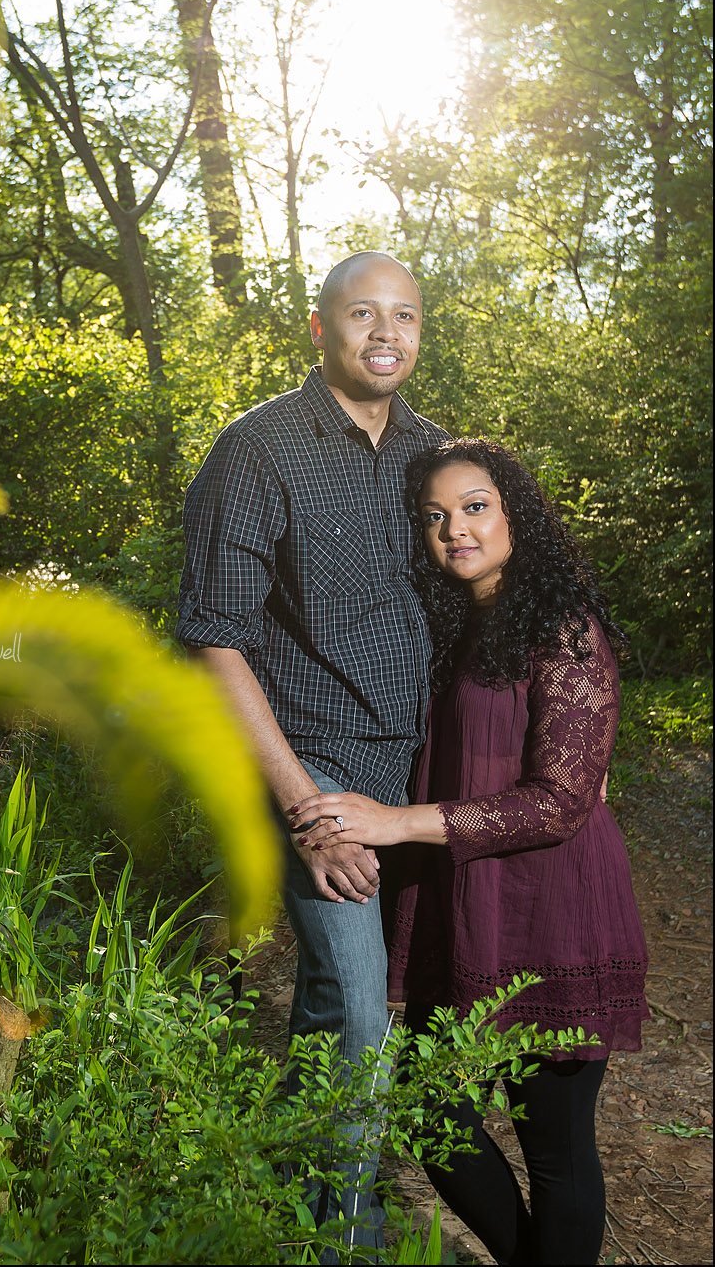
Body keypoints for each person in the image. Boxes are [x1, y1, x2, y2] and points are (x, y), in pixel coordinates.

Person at [290, 437, 650, 1266]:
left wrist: (393, 822)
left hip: (551, 915)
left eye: (476, 507)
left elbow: (561, 800)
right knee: (426, 1112)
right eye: (437, 517)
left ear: (516, 513)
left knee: (555, 1153)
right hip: (467, 914)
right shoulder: (458, 624)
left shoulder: (565, 628)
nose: (456, 529)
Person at [176, 251, 449, 1258]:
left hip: (416, 772)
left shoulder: (433, 452)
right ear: (317, 326)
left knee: (341, 999)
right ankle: (351, 1238)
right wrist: (304, 807)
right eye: (364, 313)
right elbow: (214, 638)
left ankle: (280, 1184)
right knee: (364, 1014)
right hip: (312, 764)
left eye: (407, 316)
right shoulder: (258, 449)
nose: (388, 333)